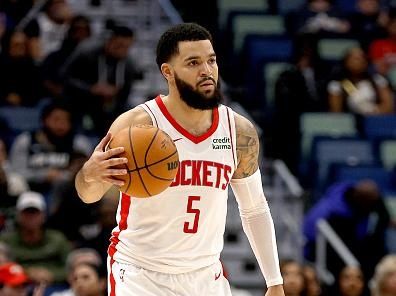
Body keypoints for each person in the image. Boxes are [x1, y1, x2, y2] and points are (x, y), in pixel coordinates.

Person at [75, 23, 284, 296]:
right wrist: (89, 174)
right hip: (140, 273)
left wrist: (274, 281)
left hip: (205, 275)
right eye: (193, 62)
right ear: (168, 72)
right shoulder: (137, 126)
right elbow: (89, 195)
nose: (207, 71)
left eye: (211, 60)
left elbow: (255, 208)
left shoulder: (238, 131)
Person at [303, 180, 390, 280]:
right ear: (361, 200)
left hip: (355, 244)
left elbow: (383, 215)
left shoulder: (369, 199)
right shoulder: (332, 212)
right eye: (370, 204)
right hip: (325, 249)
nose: (372, 208)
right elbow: (310, 233)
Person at [0, 191, 72, 285]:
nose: (31, 216)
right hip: (17, 286)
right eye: (26, 212)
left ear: (44, 216)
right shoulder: (6, 241)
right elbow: (2, 268)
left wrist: (52, 275)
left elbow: (71, 267)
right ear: (18, 216)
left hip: (56, 286)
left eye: (35, 212)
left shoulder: (57, 238)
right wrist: (27, 273)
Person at [327, 47, 394, 116]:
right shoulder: (337, 84)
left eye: (362, 58)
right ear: (346, 62)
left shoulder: (377, 80)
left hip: (375, 119)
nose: (359, 61)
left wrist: (373, 111)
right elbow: (336, 112)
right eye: (355, 59)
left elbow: (388, 107)